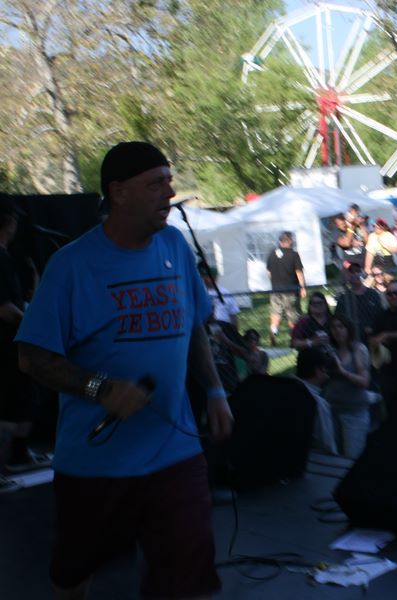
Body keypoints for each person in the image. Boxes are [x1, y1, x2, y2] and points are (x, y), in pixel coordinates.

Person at [15, 141, 232, 600]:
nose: (169, 193)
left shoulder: (174, 245)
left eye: (169, 181)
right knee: (74, 571)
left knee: (186, 569)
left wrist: (214, 390)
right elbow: (32, 357)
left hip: (175, 452)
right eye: (155, 184)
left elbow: (193, 324)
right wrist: (101, 388)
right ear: (119, 192)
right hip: (98, 463)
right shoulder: (72, 265)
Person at [0, 196, 48, 489]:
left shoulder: (6, 257)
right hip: (6, 346)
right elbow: (4, 308)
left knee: (22, 401)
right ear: (8, 222)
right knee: (9, 407)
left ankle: (18, 455)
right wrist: (32, 326)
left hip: (12, 344)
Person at [323, 315, 371, 459]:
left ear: (348, 329)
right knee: (335, 455)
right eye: (333, 327)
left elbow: (364, 382)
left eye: (341, 327)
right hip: (332, 410)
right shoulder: (330, 350)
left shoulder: (358, 349)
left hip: (354, 412)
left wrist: (343, 371)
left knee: (352, 457)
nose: (337, 331)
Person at [266, 231, 306, 344]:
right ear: (290, 241)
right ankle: (295, 337)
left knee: (276, 313)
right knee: (292, 315)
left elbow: (269, 272)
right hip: (290, 290)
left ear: (280, 241)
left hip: (275, 290)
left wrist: (274, 282)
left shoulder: (272, 254)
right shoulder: (294, 254)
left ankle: (273, 330)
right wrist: (302, 287)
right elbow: (299, 271)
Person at [335, 262, 384, 344]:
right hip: (352, 342)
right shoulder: (343, 299)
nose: (355, 274)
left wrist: (373, 330)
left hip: (373, 340)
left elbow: (381, 317)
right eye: (351, 272)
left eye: (357, 271)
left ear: (361, 273)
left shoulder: (373, 294)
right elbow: (338, 321)